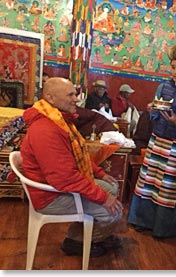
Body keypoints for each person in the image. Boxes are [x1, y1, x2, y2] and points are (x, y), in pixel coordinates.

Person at [20, 77, 124, 257]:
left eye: (75, 94)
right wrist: (103, 198)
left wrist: (99, 173)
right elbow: (65, 178)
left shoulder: (59, 121)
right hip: (50, 196)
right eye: (71, 95)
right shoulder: (46, 129)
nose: (76, 99)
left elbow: (76, 155)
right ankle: (76, 241)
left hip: (57, 186)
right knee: (114, 213)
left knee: (112, 187)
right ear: (51, 98)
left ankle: (93, 234)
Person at [127, 44, 176, 238]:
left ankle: (163, 228)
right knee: (149, 180)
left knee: (168, 186)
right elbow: (155, 114)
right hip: (157, 139)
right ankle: (142, 221)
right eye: (173, 67)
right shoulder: (163, 87)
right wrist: (152, 111)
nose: (175, 72)